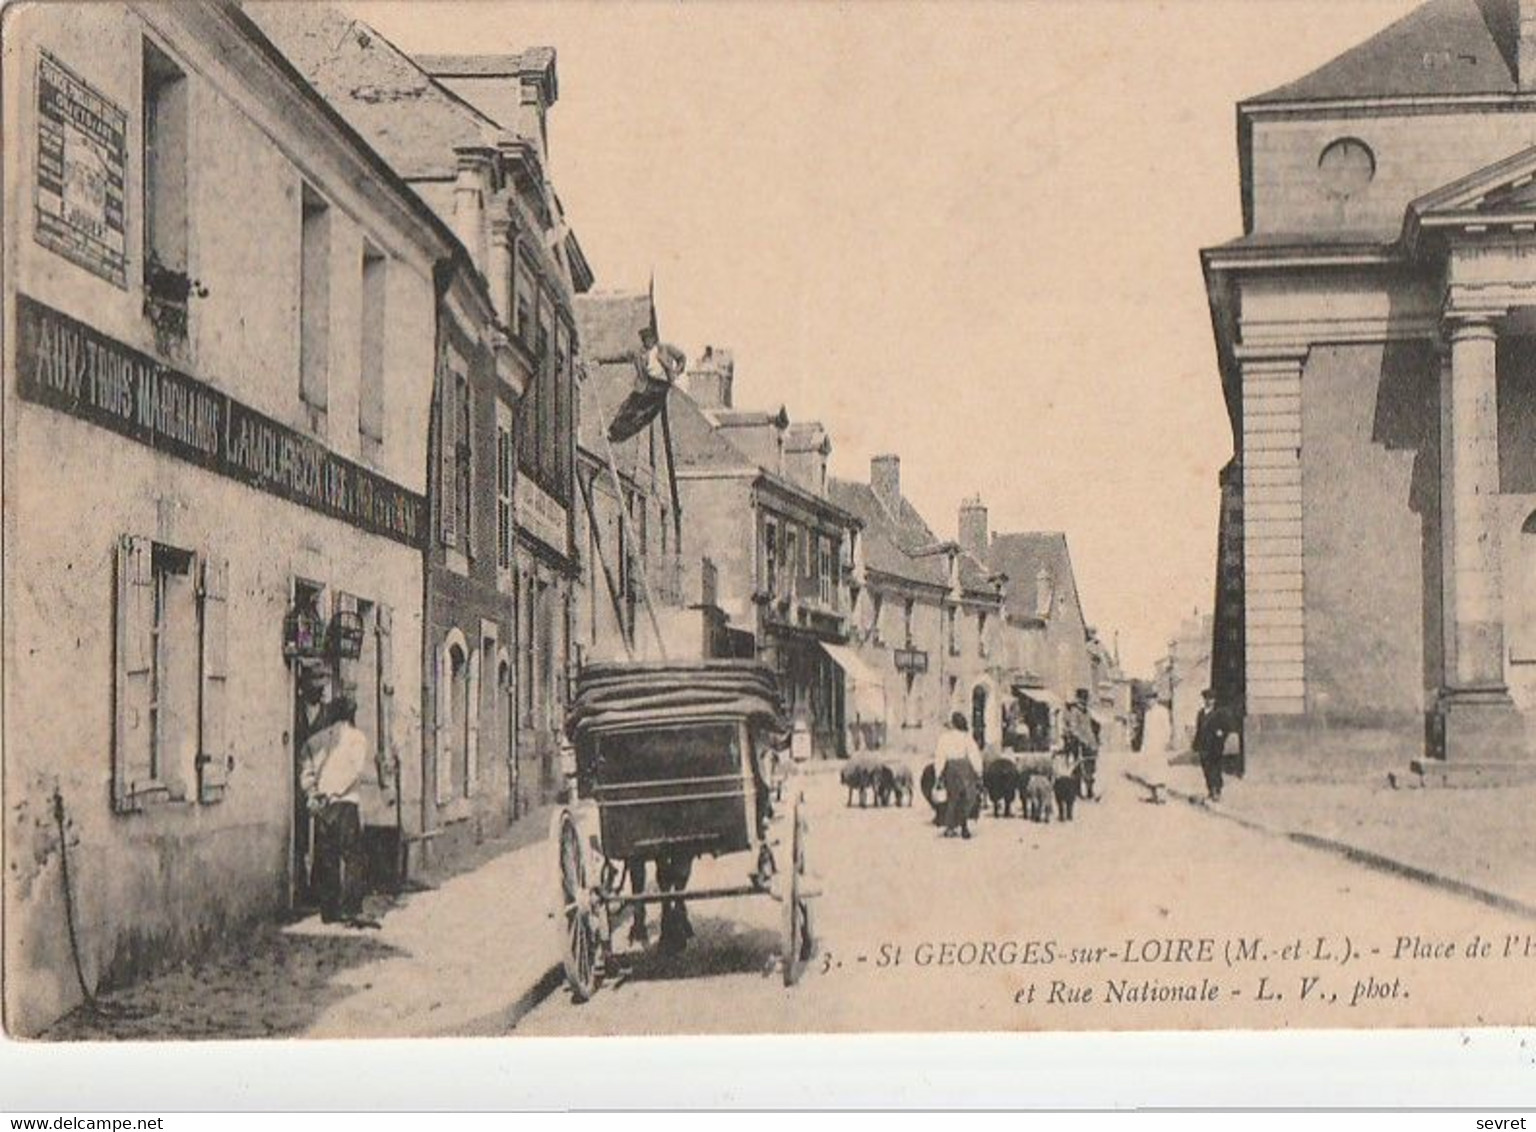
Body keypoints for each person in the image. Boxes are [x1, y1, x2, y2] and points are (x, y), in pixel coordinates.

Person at [300, 696, 373, 926]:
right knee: (353, 857)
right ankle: (351, 909)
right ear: (352, 714)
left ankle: (329, 911)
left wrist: (314, 794)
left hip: (324, 805)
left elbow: (306, 770)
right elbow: (356, 771)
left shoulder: (315, 740)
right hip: (345, 802)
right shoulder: (357, 739)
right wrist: (337, 791)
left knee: (327, 856)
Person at [932, 711, 983, 839]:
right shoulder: (967, 737)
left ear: (953, 724)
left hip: (951, 769)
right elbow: (974, 755)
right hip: (965, 768)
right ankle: (964, 824)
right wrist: (978, 771)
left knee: (952, 798)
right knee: (967, 797)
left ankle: (950, 827)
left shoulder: (944, 737)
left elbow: (940, 756)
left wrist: (938, 774)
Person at [1193, 689, 1233, 803]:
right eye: (1206, 699)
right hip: (1203, 745)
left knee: (1215, 768)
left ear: (1214, 700)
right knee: (1206, 768)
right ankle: (1210, 789)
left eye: (1211, 699)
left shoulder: (1219, 713)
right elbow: (1198, 730)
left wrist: (1221, 734)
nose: (1208, 701)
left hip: (1215, 745)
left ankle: (1217, 791)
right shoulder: (1201, 713)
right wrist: (1195, 745)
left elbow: (1227, 727)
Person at [1063, 689, 1101, 800]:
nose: (1085, 702)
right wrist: (1082, 740)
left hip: (1090, 744)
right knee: (1079, 768)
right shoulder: (1075, 712)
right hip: (1078, 744)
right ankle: (1077, 792)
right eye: (1083, 699)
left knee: (1090, 768)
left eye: (1086, 699)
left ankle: (1090, 791)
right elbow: (1074, 729)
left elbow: (1089, 728)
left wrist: (1093, 741)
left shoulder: (1087, 712)